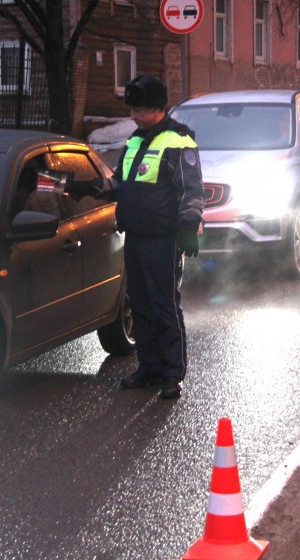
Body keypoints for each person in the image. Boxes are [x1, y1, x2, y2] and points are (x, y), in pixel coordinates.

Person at [114, 75, 204, 399]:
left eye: (138, 109)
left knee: (164, 304)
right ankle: (148, 367)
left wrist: (188, 229)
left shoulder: (178, 141)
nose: (133, 116)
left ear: (156, 108)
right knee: (140, 304)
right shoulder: (135, 141)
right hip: (136, 236)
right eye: (132, 109)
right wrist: (89, 188)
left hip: (162, 239)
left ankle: (172, 374)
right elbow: (118, 183)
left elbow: (192, 190)